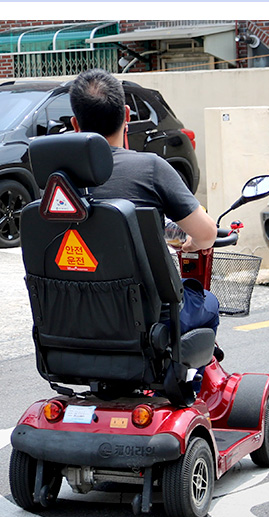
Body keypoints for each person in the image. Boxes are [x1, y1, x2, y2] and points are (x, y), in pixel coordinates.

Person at [68, 68, 221, 335]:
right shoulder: (151, 169)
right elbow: (207, 234)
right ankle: (190, 377)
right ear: (127, 115)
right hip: (149, 319)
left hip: (75, 320)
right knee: (207, 303)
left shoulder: (55, 184)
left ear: (75, 124)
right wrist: (193, 242)